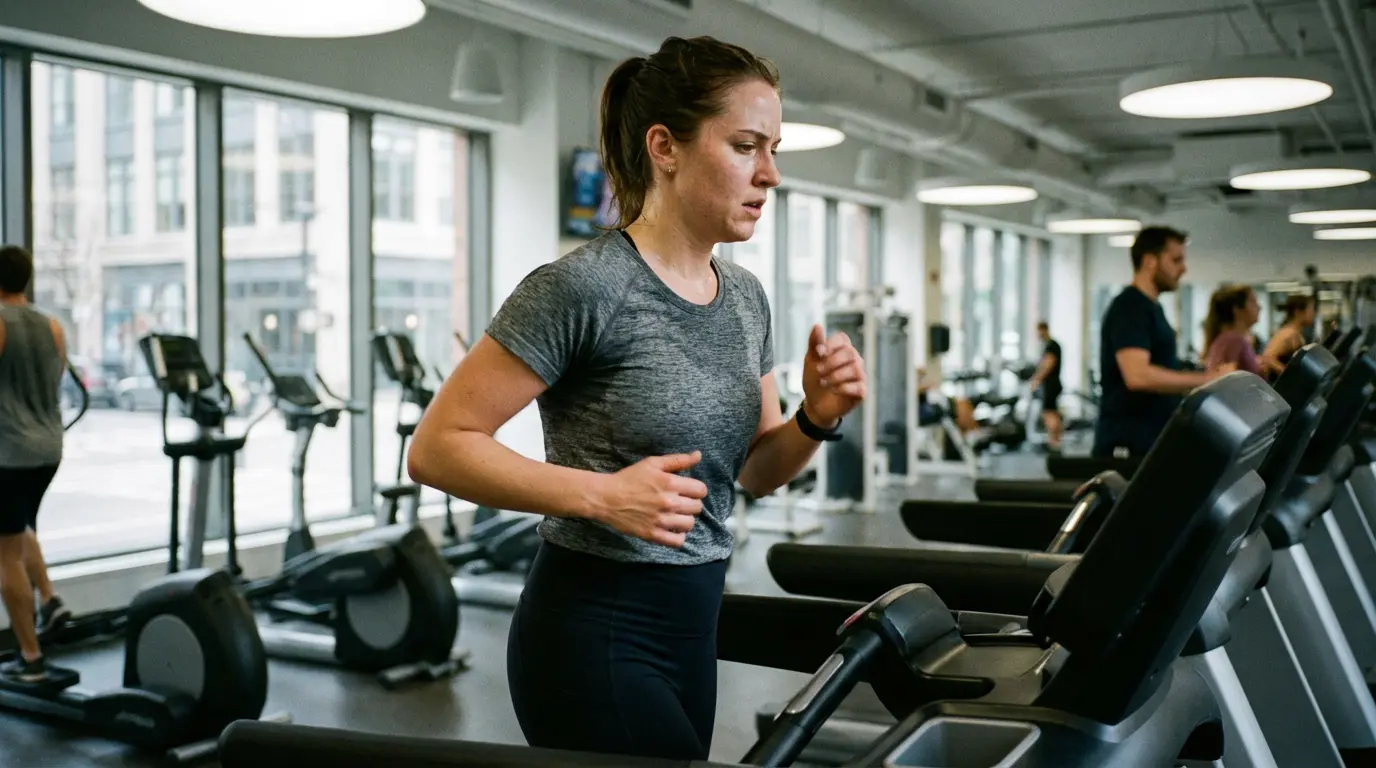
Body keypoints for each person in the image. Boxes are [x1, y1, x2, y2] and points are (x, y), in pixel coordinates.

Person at [406, 36, 866, 761]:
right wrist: (600, 497)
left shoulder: (745, 298)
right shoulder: (583, 287)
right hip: (591, 629)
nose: (770, 174)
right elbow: (436, 448)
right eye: (746, 146)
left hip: (693, 626)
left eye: (773, 149)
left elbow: (753, 471)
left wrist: (818, 414)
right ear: (665, 146)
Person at [0, 244, 74, 684]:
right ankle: (49, 598)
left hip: (8, 452)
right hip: (47, 449)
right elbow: (55, 379)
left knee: (4, 550)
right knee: (21, 527)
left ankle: (30, 657)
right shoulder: (53, 325)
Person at [1094, 227, 1233, 459]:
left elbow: (1161, 364)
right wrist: (1207, 380)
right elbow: (1137, 376)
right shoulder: (1130, 307)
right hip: (1128, 441)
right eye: (1176, 260)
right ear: (1150, 261)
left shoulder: (1151, 307)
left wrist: (1202, 372)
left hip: (1151, 437)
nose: (1183, 268)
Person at [1203, 285, 1271, 377]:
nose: (1259, 307)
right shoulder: (1232, 339)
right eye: (1253, 302)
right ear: (1237, 309)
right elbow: (1223, 379)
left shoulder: (1235, 339)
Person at [1027, 321, 1063, 452]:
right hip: (1051, 385)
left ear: (1044, 330)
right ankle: (1055, 441)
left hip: (1051, 386)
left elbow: (1048, 365)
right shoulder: (1050, 345)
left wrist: (1036, 379)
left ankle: (1054, 442)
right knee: (1051, 412)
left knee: (1049, 413)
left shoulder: (1052, 346)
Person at [1262, 293, 1317, 373]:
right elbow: (1268, 358)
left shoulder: (1296, 333)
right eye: (1311, 309)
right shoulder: (1288, 333)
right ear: (1298, 312)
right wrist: (1288, 376)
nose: (1313, 314)